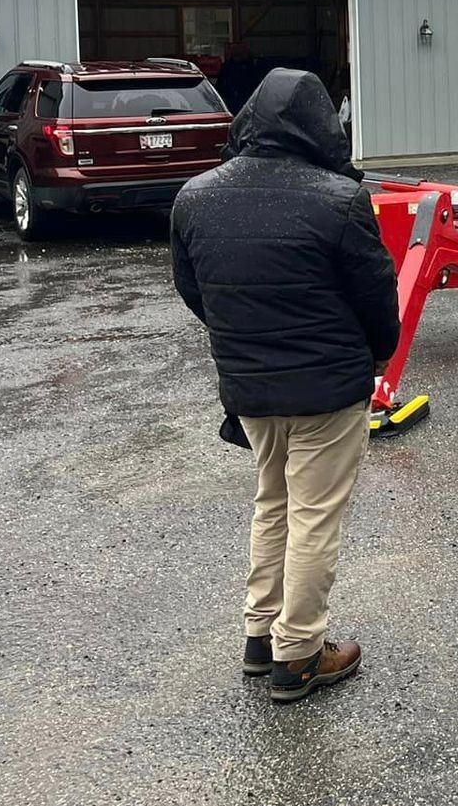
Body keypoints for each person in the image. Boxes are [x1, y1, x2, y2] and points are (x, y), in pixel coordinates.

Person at [171, 68, 399, 704]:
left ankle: (259, 632)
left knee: (273, 504)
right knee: (315, 518)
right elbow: (376, 296)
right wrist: (377, 354)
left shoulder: (195, 198)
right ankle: (298, 654)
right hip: (327, 391)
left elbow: (196, 291)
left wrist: (244, 337)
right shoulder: (339, 199)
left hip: (250, 389)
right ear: (320, 126)